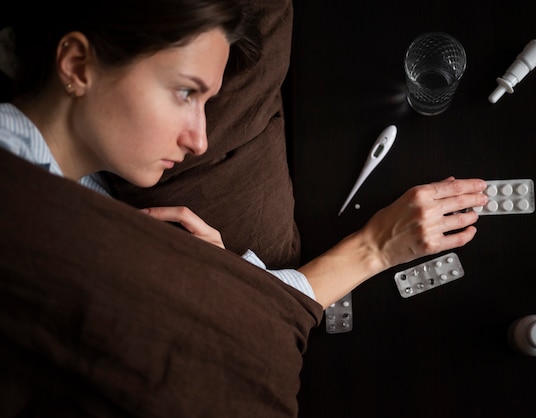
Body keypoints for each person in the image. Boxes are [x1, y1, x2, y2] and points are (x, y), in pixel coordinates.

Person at [0, 0, 487, 414]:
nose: (200, 139)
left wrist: (211, 278)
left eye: (207, 102)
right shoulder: (27, 203)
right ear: (77, 65)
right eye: (185, 92)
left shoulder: (69, 187)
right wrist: (371, 250)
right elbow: (225, 361)